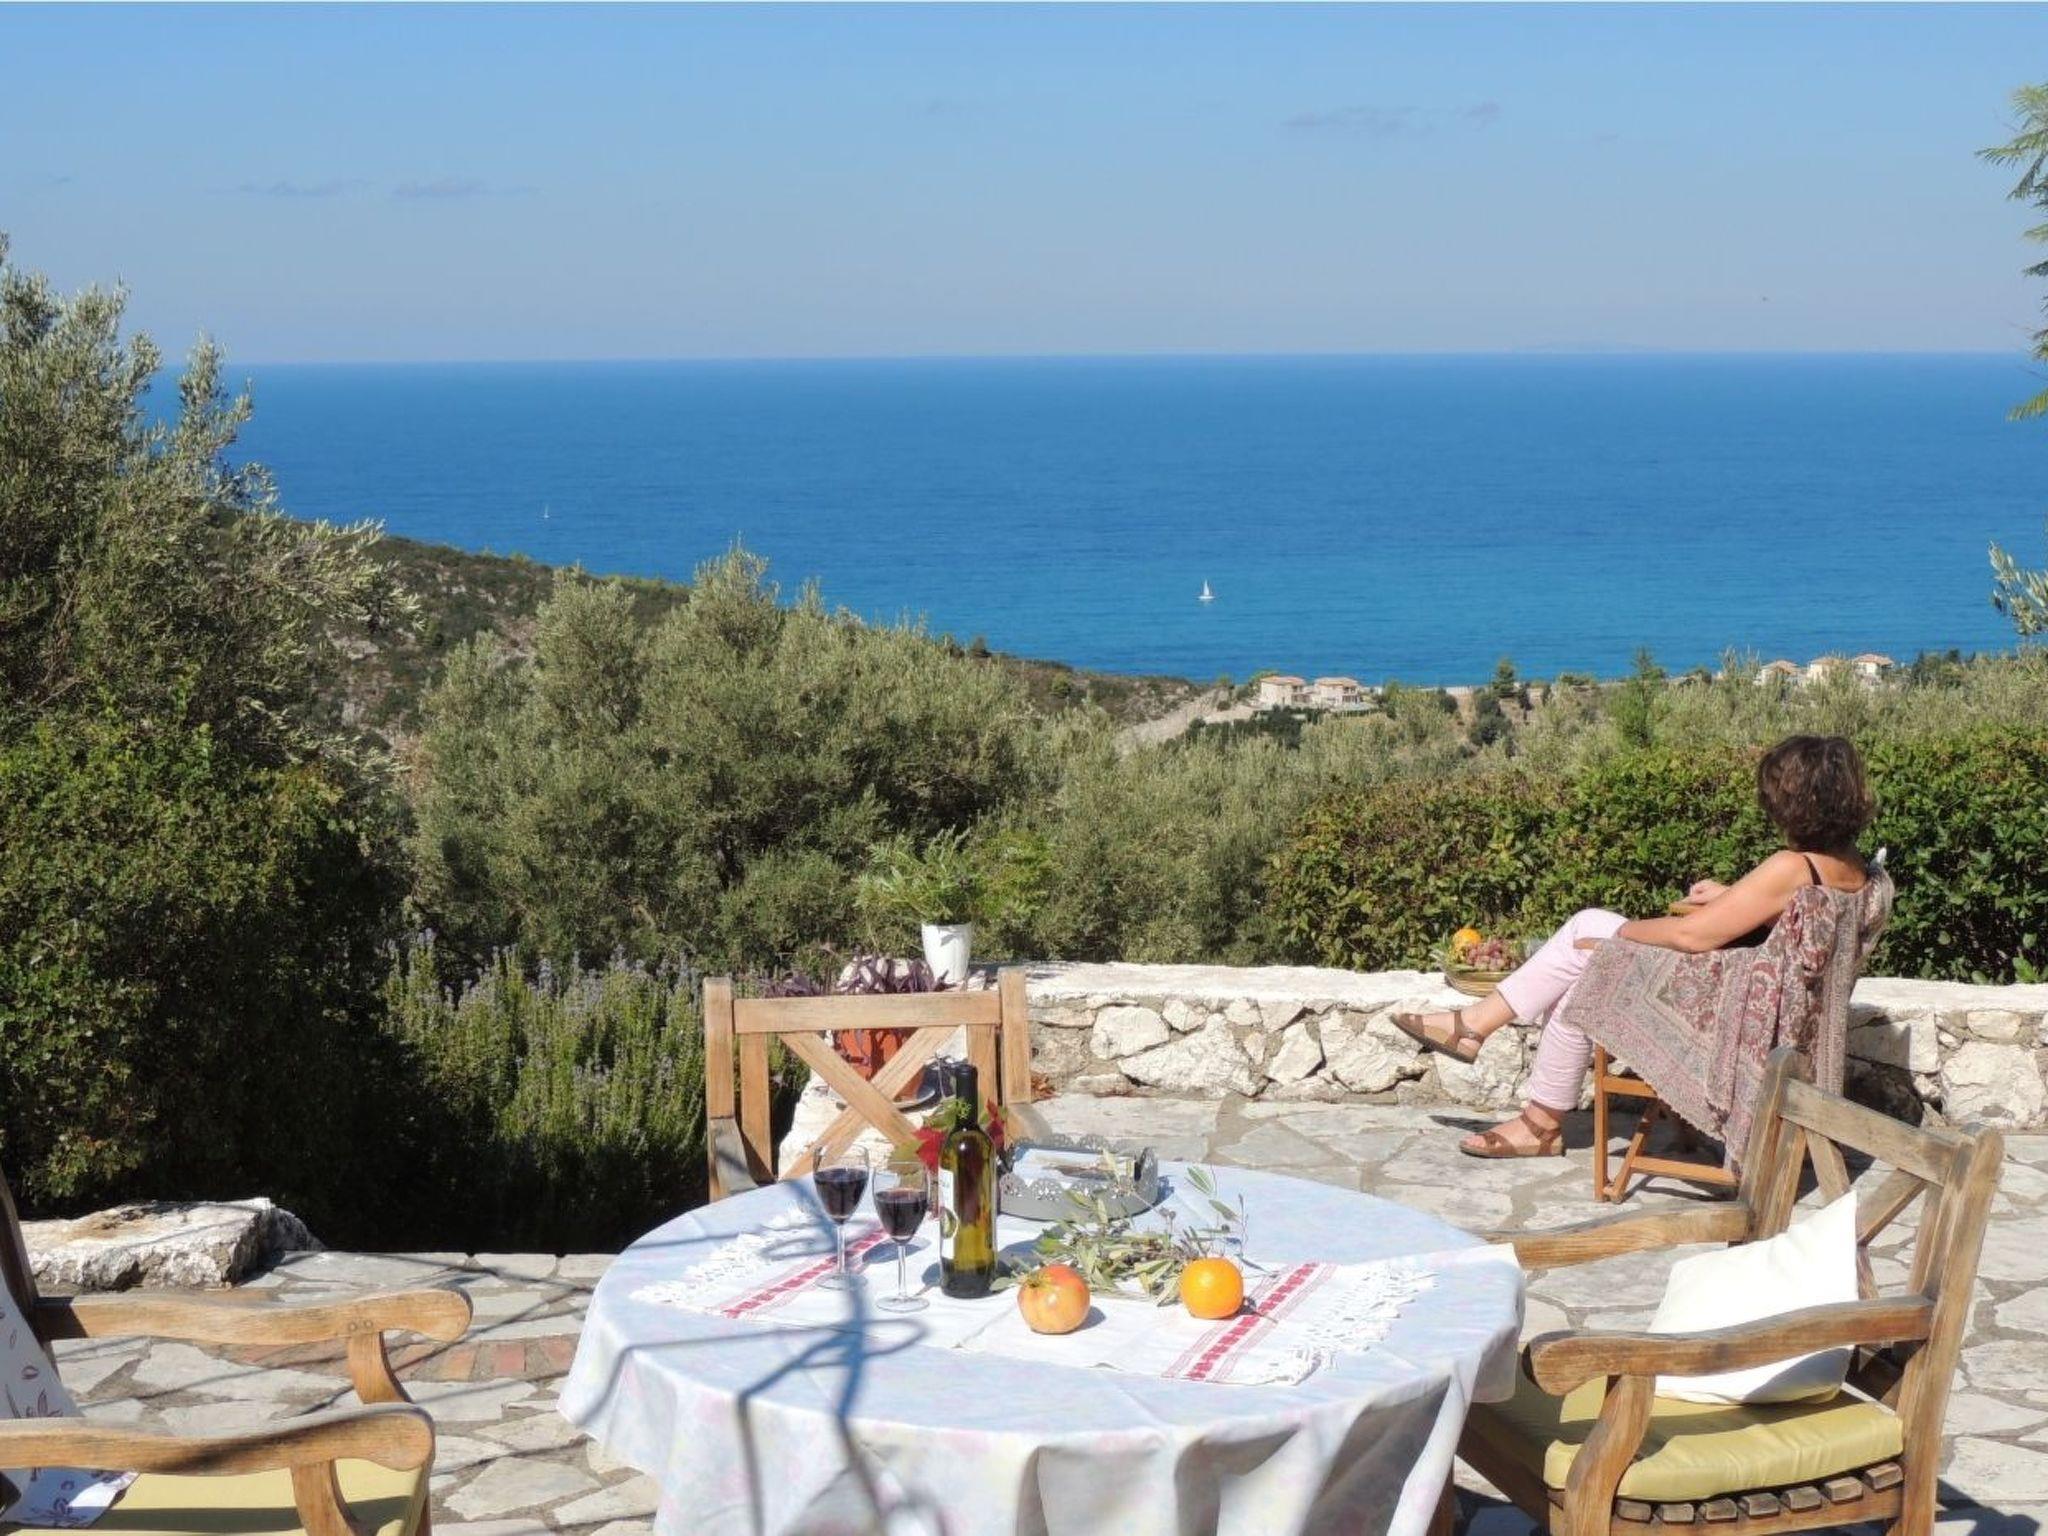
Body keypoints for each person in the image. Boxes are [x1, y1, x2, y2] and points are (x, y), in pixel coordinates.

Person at [1391, 735, 1880, 1158]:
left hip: (1739, 1023)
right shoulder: (1855, 870)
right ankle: (1526, 1106)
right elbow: (1805, 922)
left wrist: (1618, 936)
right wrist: (1735, 897)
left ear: (1794, 802)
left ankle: (1489, 1052)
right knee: (1584, 967)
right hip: (1791, 1021)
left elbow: (1691, 935)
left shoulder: (1790, 867)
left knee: (1588, 938)